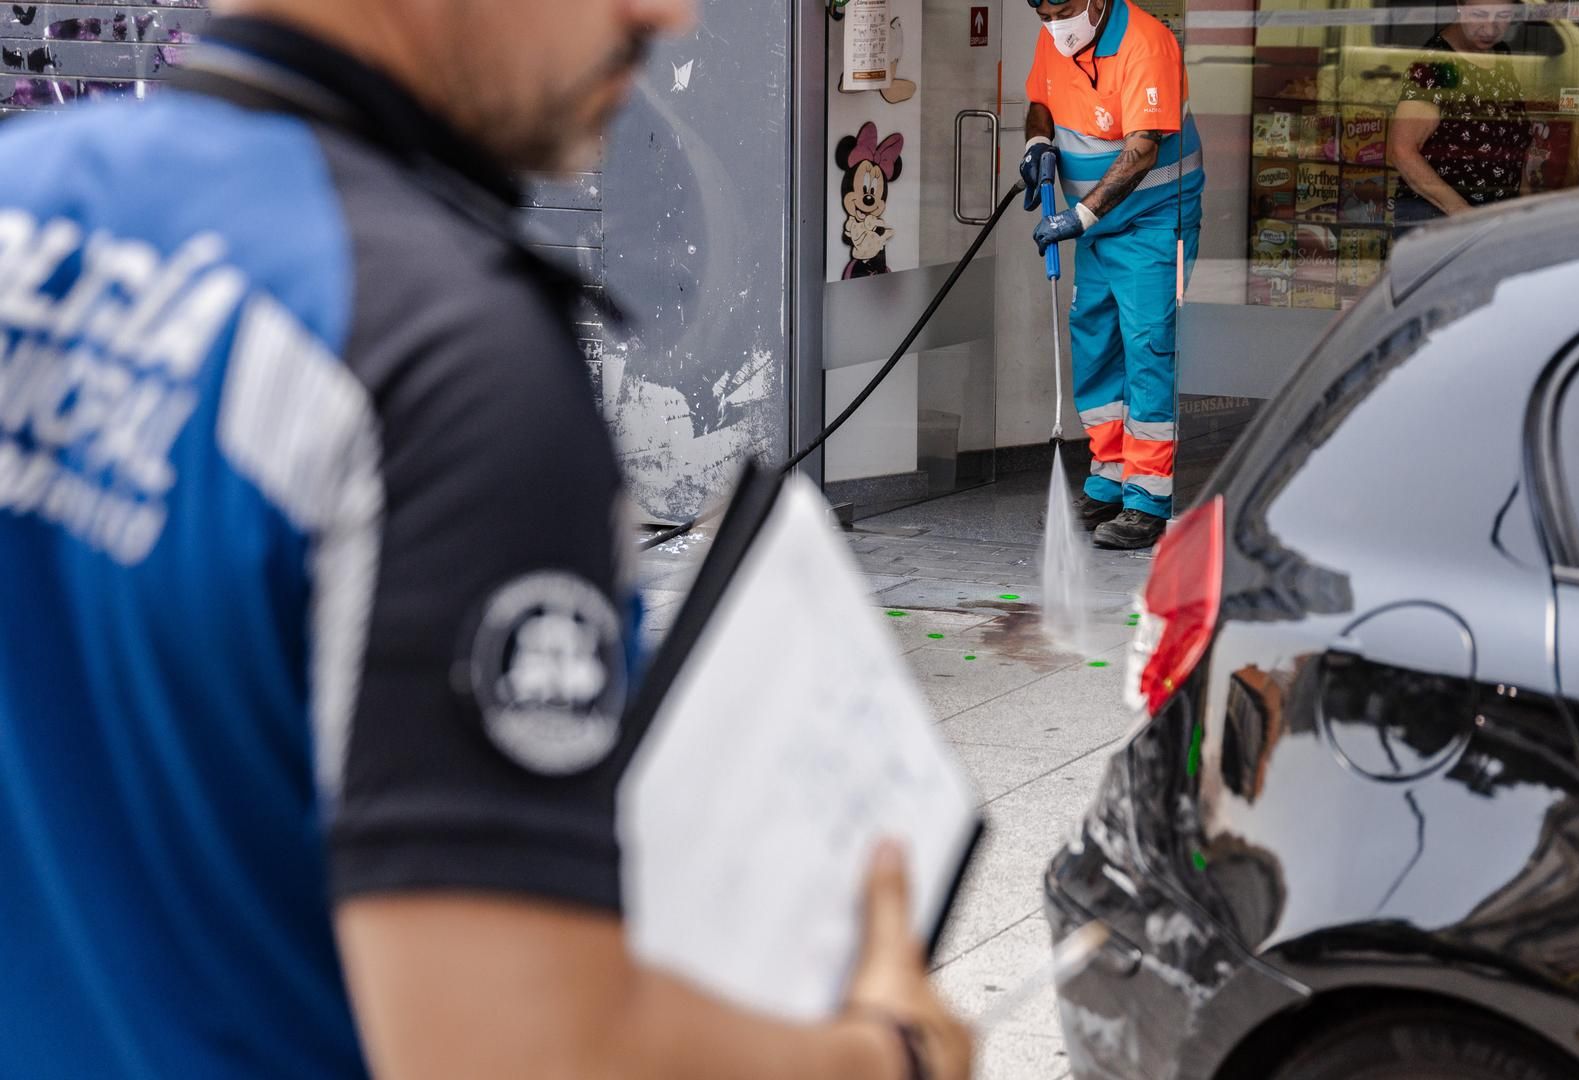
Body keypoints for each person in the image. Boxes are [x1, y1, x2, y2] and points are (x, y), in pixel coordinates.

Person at [0, 2, 970, 1079]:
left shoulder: (23, 198)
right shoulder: (448, 360)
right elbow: (524, 1049)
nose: (667, 15)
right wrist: (882, 1055)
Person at [1021, 0, 1204, 550]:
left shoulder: (1146, 42)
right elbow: (1040, 101)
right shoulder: (1054, 36)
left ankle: (1148, 497)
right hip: (1095, 225)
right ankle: (1110, 477)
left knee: (1148, 346)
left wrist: (1078, 216)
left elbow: (1144, 149)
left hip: (1151, 221)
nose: (1055, 21)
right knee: (1096, 342)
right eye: (1044, 11)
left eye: (1065, 8)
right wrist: (1038, 143)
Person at [1385, 0, 1531, 235]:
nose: (1490, 28)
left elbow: (1512, 145)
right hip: (1442, 224)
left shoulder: (1501, 54)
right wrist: (1464, 214)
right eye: (1480, 15)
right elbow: (1402, 151)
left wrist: (1526, 210)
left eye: (1503, 15)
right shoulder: (1437, 63)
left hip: (1495, 222)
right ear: (1459, 6)